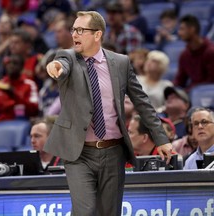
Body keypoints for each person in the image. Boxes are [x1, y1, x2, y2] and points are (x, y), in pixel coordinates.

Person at [44, 11, 172, 215]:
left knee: (110, 212)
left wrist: (162, 139)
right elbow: (62, 64)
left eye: (80, 30)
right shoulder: (67, 56)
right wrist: (55, 66)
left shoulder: (120, 63)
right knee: (84, 211)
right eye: (73, 30)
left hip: (113, 152)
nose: (74, 34)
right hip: (79, 153)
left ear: (97, 34)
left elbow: (142, 102)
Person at [0, 54, 39, 124]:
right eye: (9, 63)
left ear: (22, 67)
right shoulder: (0, 84)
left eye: (15, 63)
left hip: (22, 120)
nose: (11, 65)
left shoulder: (29, 84)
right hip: (1, 122)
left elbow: (34, 110)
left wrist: (14, 95)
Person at [173, 15, 214, 92]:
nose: (179, 33)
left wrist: (189, 90)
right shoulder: (184, 55)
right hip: (193, 92)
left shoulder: (211, 52)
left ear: (192, 29)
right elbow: (180, 80)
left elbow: (211, 81)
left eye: (182, 29)